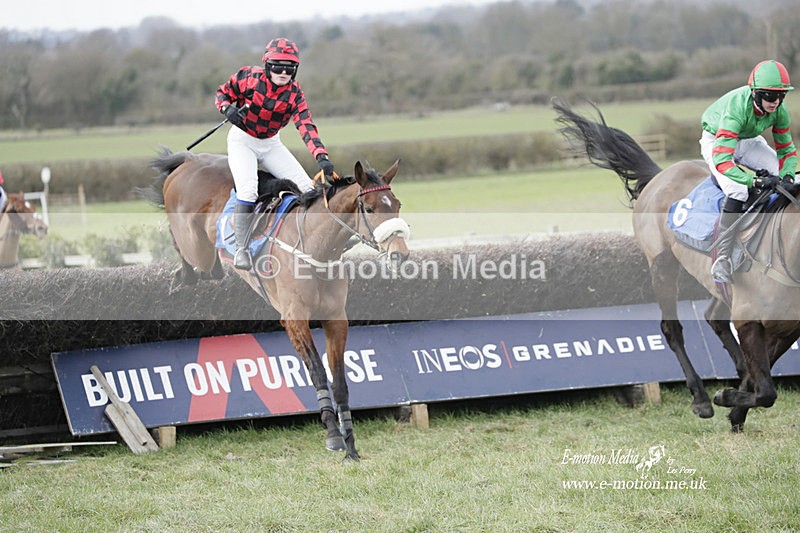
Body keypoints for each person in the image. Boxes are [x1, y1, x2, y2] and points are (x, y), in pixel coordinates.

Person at [215, 37, 335, 270]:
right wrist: (227, 108)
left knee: (308, 189)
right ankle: (241, 249)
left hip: (270, 143)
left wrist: (321, 156)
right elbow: (222, 94)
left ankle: (314, 242)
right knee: (248, 191)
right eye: (278, 66)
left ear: (295, 71)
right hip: (243, 141)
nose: (283, 72)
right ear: (268, 66)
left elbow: (305, 124)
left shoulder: (294, 93)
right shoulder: (248, 77)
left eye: (289, 68)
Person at [700, 59, 798, 284]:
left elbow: (787, 152)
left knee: (789, 178)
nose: (776, 102)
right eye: (770, 96)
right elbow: (723, 160)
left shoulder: (780, 111)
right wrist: (754, 181)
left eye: (781, 96)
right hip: (717, 141)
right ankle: (723, 257)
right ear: (756, 93)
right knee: (738, 191)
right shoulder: (737, 109)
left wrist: (788, 176)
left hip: (747, 139)